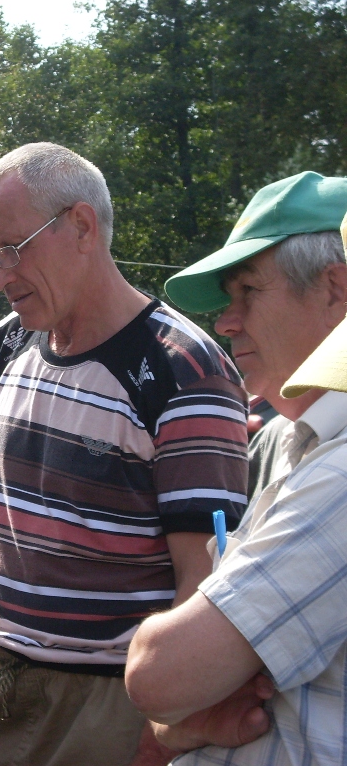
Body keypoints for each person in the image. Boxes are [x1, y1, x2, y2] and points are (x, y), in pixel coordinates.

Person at [0, 142, 248, 766]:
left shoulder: (183, 369)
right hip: (1, 687)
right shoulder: (13, 341)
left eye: (11, 250)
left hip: (113, 706)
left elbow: (206, 575)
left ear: (81, 226)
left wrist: (165, 723)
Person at [124, 172, 347, 763]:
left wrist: (180, 700)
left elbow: (159, 676)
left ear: (337, 289)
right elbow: (177, 704)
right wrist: (182, 725)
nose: (226, 321)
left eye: (249, 289)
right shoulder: (294, 443)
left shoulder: (341, 475)